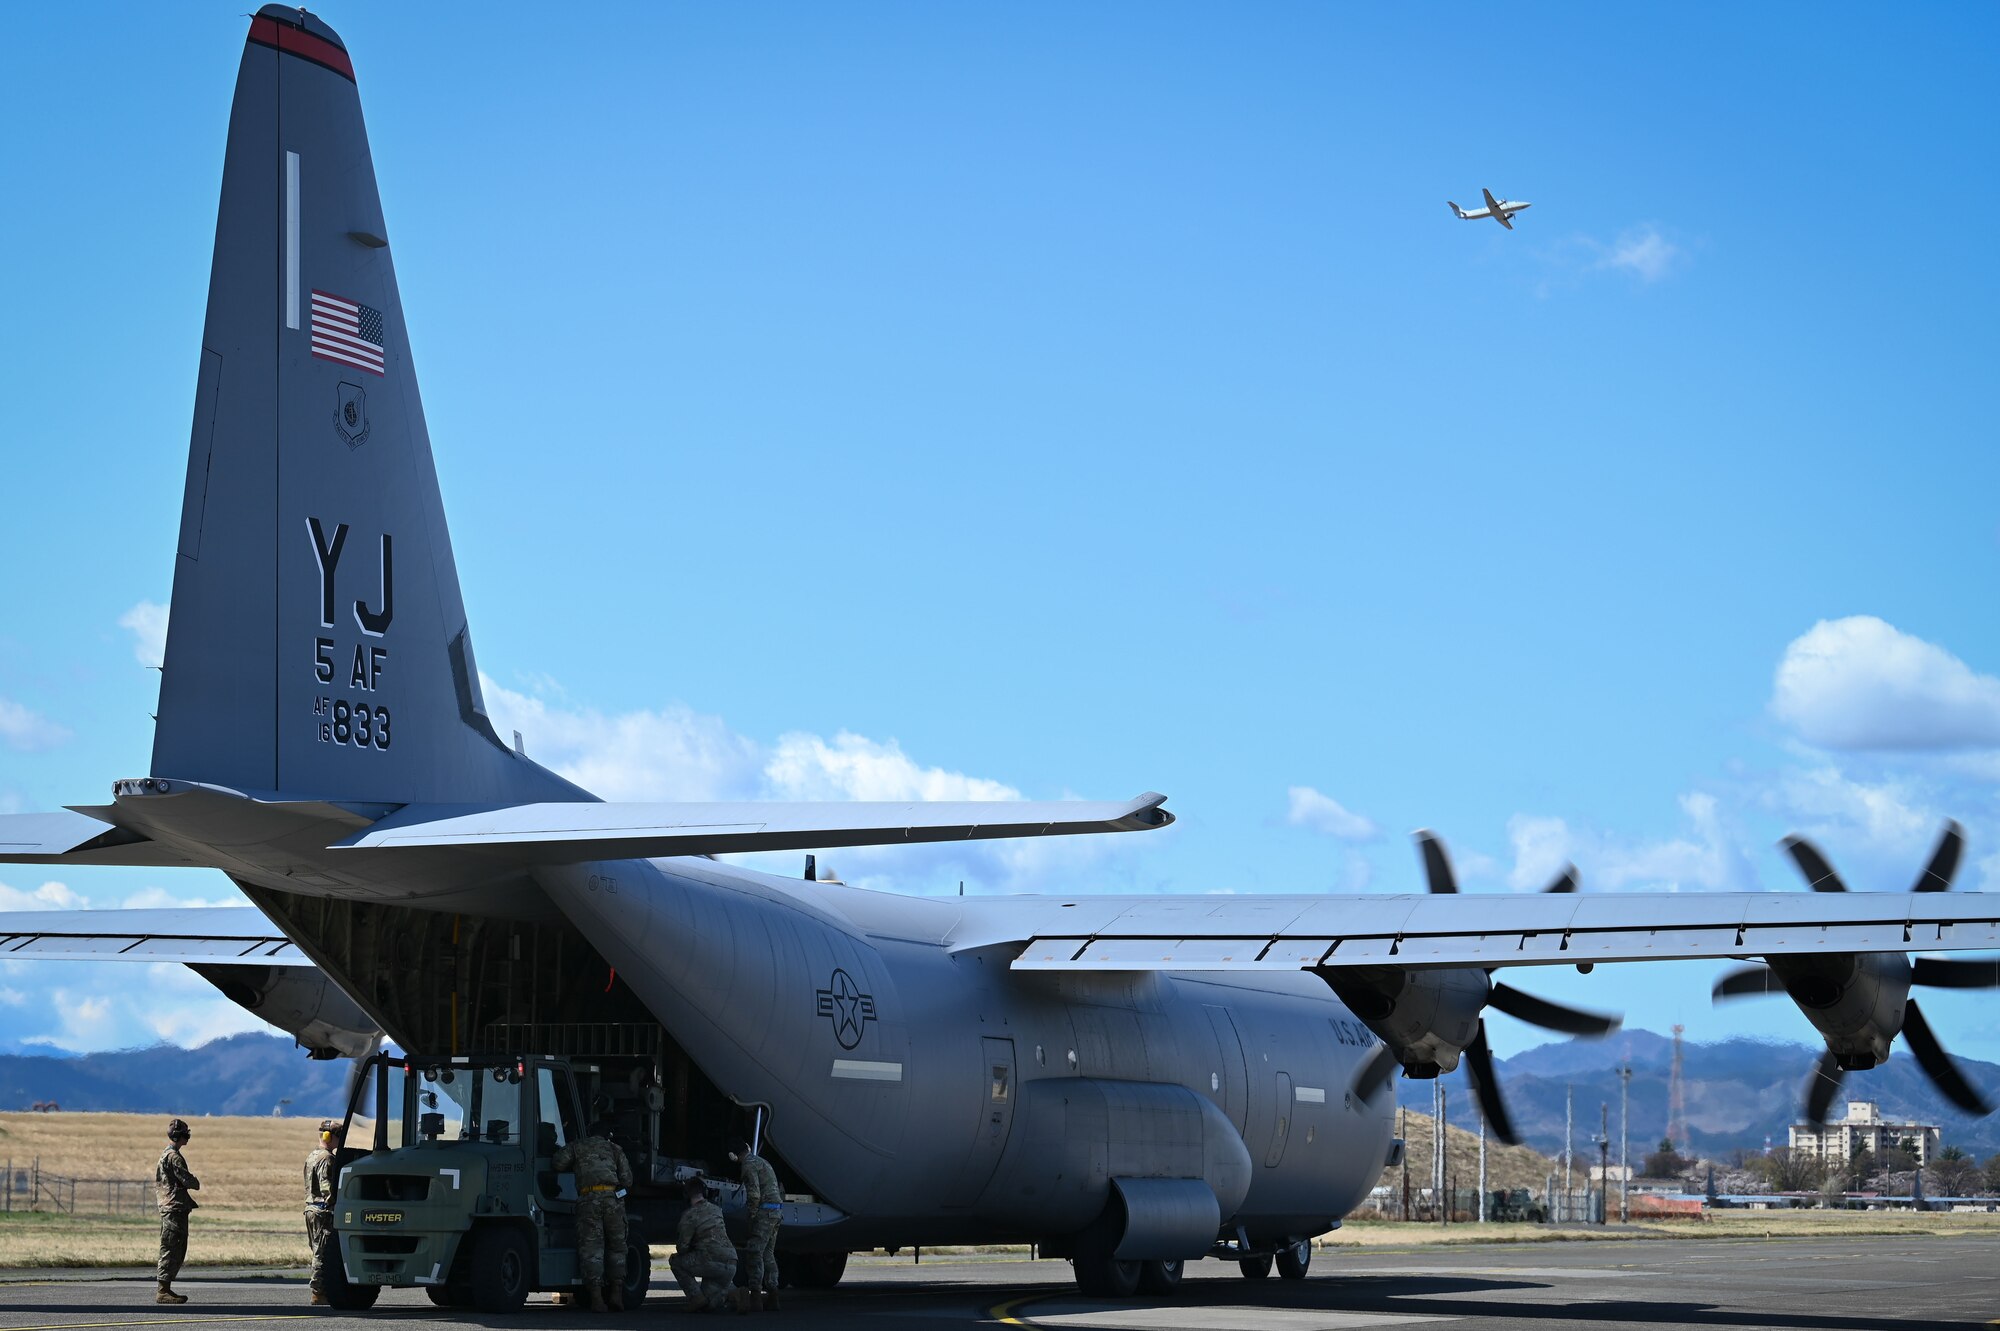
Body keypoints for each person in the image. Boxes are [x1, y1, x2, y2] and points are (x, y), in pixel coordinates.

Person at [553, 1119, 633, 1311]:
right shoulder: (615, 1149)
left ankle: (597, 1300)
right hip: (613, 1200)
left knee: (592, 1249)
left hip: (589, 1199)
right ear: (606, 1135)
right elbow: (628, 1180)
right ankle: (616, 1295)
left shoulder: (577, 1146)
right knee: (617, 1247)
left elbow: (557, 1163)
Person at [669, 1175, 739, 1313]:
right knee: (710, 1304)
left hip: (710, 1261)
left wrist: (691, 1248)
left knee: (675, 1261)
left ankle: (695, 1298)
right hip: (731, 1262)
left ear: (686, 1196)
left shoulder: (689, 1215)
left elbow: (682, 1247)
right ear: (705, 1193)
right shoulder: (716, 1209)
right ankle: (735, 1296)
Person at [730, 1139, 783, 1311]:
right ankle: (773, 1294)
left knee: (754, 1252)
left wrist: (752, 1216)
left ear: (734, 1156)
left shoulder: (748, 1164)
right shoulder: (762, 1161)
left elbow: (754, 1194)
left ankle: (756, 1297)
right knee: (768, 1253)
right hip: (776, 1212)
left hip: (764, 1213)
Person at [154, 1118, 200, 1304]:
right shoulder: (173, 1157)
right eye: (185, 1134)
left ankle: (165, 1288)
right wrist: (195, 1182)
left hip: (173, 1207)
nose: (187, 1137)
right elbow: (188, 1180)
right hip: (173, 1208)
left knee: (175, 1246)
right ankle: (163, 1290)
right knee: (171, 1247)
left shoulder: (168, 1154)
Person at [304, 1119, 344, 1305]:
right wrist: (337, 1203)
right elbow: (326, 1187)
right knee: (322, 1252)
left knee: (316, 1250)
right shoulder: (327, 1158)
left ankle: (319, 1290)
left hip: (311, 1209)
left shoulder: (312, 1155)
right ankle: (318, 1292)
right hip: (322, 1210)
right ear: (331, 1137)